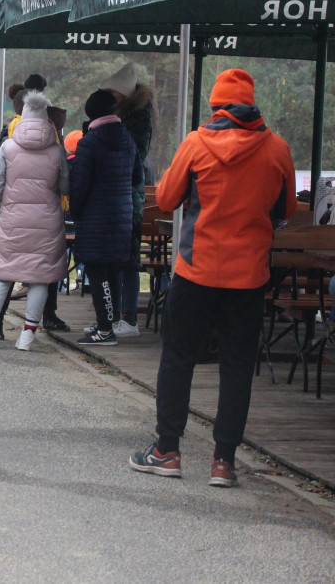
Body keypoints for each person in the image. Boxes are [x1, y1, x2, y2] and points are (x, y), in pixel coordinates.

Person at [129, 69, 296, 488]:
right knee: (238, 368)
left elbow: (165, 198)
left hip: (195, 271)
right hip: (249, 278)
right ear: (251, 104)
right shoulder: (276, 148)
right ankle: (224, 462)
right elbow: (287, 210)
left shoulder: (197, 142)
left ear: (217, 106)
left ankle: (167, 451)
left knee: (178, 359)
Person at [0, 91, 68, 351]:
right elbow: (65, 186)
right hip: (48, 222)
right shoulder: (57, 151)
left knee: (1, 274)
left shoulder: (8, 147)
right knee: (40, 276)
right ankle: (27, 337)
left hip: (12, 218)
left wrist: (5, 205)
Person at [68, 90, 142, 346]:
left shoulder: (89, 142)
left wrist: (75, 212)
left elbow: (79, 184)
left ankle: (104, 330)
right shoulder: (128, 139)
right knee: (113, 271)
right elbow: (137, 178)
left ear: (91, 113)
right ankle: (107, 323)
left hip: (95, 217)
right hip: (122, 216)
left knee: (98, 272)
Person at [100, 62, 155, 337]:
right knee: (117, 260)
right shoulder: (127, 116)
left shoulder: (138, 120)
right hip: (121, 195)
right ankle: (114, 317)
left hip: (129, 198)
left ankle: (129, 318)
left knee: (129, 259)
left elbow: (135, 156)